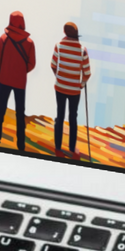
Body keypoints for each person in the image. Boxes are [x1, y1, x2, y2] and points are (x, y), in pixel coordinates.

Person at [0, 11, 37, 152]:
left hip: (4, 79)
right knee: (20, 113)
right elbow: (32, 64)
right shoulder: (30, 43)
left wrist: (5, 68)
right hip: (20, 82)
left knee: (1, 110)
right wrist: (21, 71)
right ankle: (21, 145)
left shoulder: (4, 38)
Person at [50, 20, 91, 161]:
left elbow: (53, 65)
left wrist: (59, 77)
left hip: (60, 87)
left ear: (64, 32)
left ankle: (58, 148)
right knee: (73, 117)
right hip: (74, 89)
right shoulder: (82, 50)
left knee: (60, 116)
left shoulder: (58, 46)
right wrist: (81, 84)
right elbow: (87, 73)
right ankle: (72, 149)